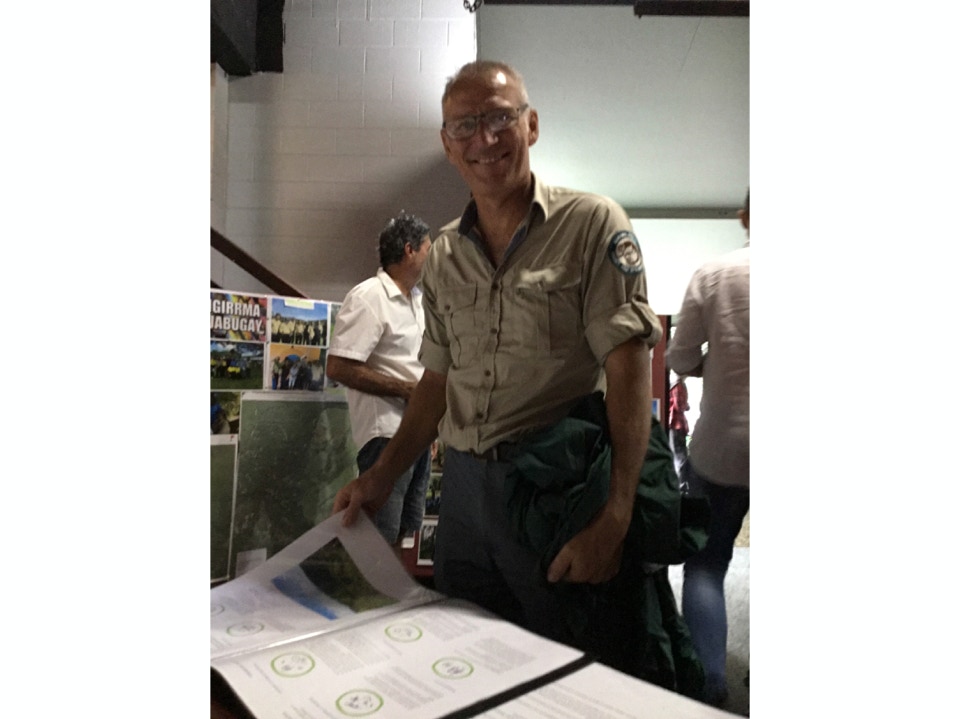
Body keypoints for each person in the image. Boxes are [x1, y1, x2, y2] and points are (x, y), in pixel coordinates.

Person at [330, 61, 719, 689]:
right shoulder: (445, 253)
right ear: (447, 144)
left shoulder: (592, 225)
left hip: (553, 492)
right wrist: (380, 476)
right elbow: (437, 382)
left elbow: (628, 372)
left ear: (530, 125)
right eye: (465, 126)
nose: (484, 139)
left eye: (499, 118)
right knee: (466, 666)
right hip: (464, 499)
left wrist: (616, 514)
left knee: (572, 675)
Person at [666, 190, 750, 707]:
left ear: (745, 217)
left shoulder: (715, 274)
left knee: (705, 566)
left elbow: (678, 358)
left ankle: (710, 686)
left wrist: (711, 367)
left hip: (724, 446)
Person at [326, 213, 434, 546]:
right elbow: (338, 367)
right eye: (429, 249)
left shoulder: (418, 300)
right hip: (385, 434)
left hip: (416, 431)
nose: (434, 257)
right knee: (378, 539)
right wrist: (406, 390)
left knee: (403, 534)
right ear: (409, 250)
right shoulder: (369, 297)